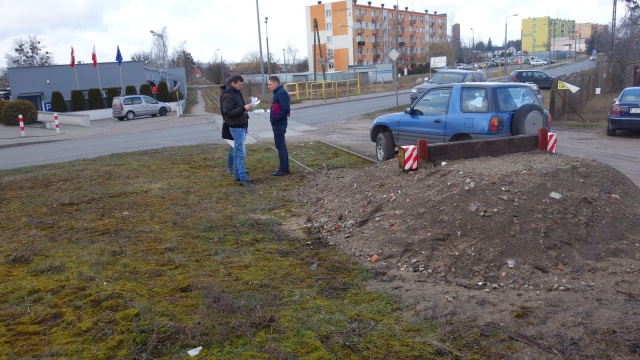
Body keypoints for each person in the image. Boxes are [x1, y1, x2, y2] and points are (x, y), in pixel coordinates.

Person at [221, 75, 254, 187]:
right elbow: (228, 112)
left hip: (241, 125)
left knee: (237, 152)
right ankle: (243, 179)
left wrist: (245, 108)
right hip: (236, 126)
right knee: (240, 153)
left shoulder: (236, 93)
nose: (241, 86)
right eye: (239, 84)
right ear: (233, 83)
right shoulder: (228, 95)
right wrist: (243, 109)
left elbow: (239, 108)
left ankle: (237, 175)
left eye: (241, 84)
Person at [267, 76, 291, 176]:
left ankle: (283, 169)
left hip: (279, 124)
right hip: (277, 123)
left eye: (269, 84)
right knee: (281, 146)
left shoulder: (281, 93)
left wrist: (275, 118)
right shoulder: (277, 93)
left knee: (280, 146)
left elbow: (286, 109)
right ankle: (285, 168)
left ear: (276, 83)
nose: (268, 86)